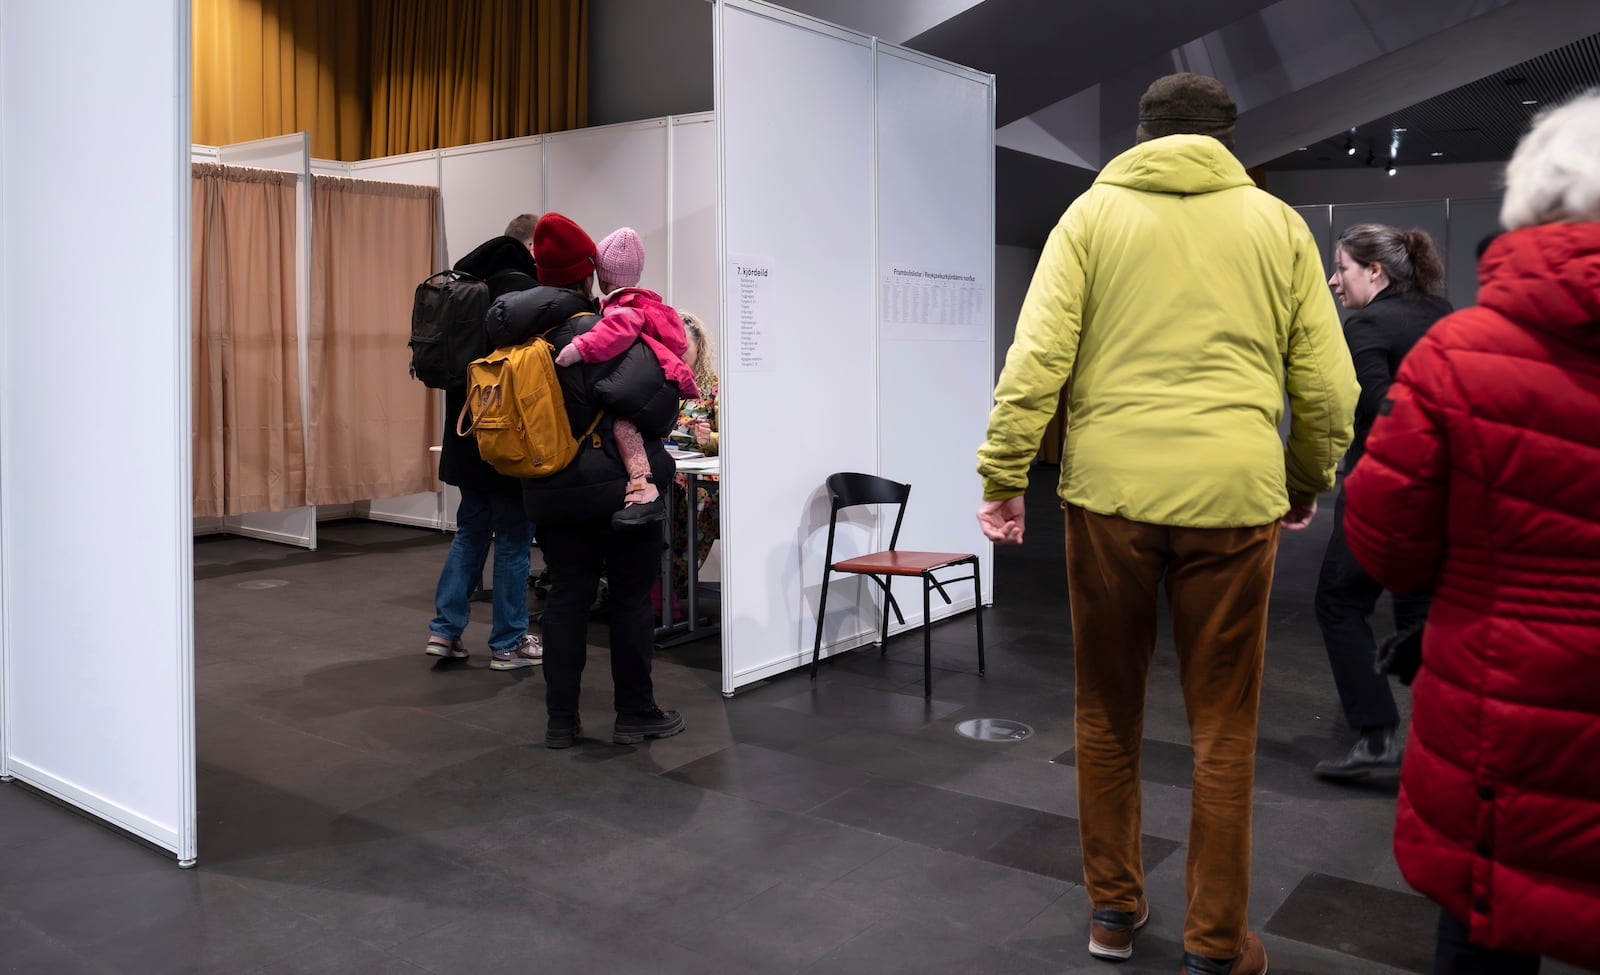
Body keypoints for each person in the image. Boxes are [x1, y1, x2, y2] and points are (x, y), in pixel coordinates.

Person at [975, 73, 1357, 975]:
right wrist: (1305, 476)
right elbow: (1330, 386)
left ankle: (1113, 912)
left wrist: (1003, 471)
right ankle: (1217, 943)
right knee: (1224, 726)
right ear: (1228, 140)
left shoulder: (1090, 216)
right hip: (1234, 495)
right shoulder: (1277, 227)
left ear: (1142, 136)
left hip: (1108, 495)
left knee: (1106, 712)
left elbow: (1036, 360)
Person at [1343, 90, 1600, 975]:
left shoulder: (1465, 353)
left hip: (1506, 695)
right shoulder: (1450, 331)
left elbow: (1388, 541)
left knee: (1491, 914)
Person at [487, 212, 685, 749]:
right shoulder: (596, 330)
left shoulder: (521, 333)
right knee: (628, 601)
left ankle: (560, 721)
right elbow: (654, 406)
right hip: (616, 490)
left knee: (566, 600)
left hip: (550, 487)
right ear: (586, 272)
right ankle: (635, 712)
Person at [1313, 223, 1453, 780]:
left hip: (1387, 489)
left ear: (1375, 271)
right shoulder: (1443, 314)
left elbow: (1382, 405)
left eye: (1342, 268)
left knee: (1339, 602)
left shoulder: (1368, 323)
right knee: (1419, 611)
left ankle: (1377, 742)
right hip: (1445, 491)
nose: (1333, 280)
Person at [424, 213, 543, 671]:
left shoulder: (464, 288)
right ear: (529, 246)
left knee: (470, 531)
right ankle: (509, 643)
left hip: (464, 435)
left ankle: (445, 631)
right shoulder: (522, 293)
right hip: (506, 437)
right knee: (514, 538)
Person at [553, 227, 698, 526]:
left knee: (623, 428)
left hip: (645, 387)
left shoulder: (624, 307)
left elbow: (614, 334)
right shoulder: (647, 302)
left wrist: (577, 349)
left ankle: (644, 490)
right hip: (658, 384)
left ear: (604, 277)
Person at [666, 311, 719, 614]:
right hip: (669, 471)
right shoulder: (664, 385)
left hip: (703, 478)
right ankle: (652, 585)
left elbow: (740, 440)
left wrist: (710, 437)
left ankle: (671, 586)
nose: (678, 350)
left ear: (699, 346)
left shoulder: (713, 388)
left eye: (683, 344)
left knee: (684, 494)